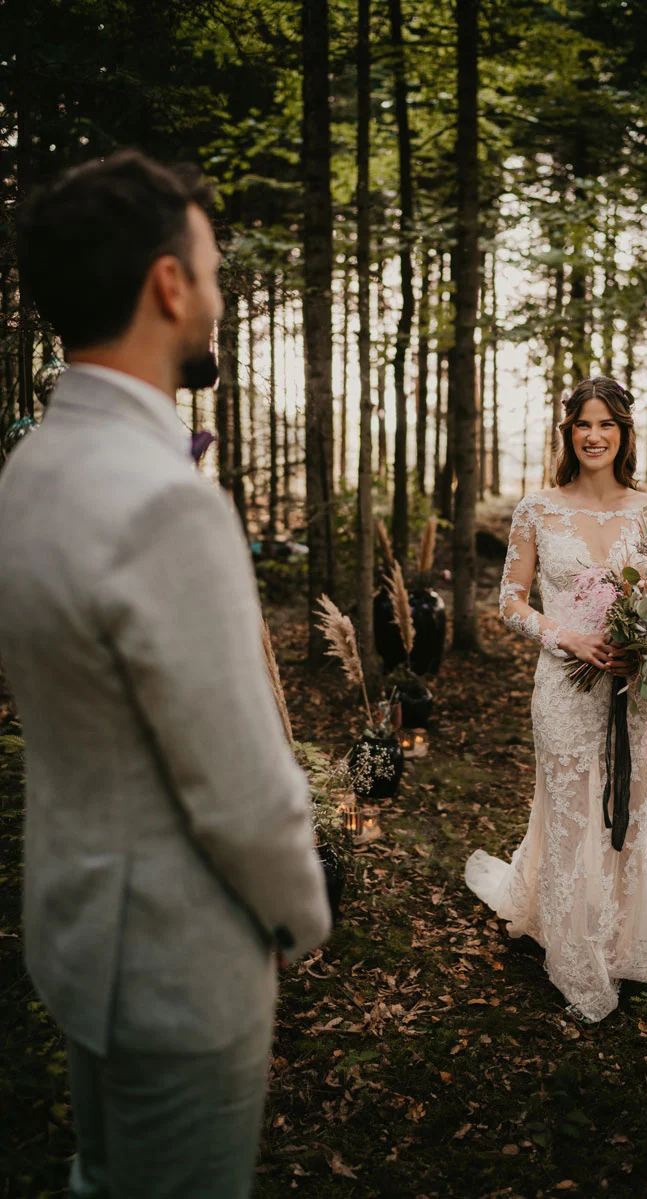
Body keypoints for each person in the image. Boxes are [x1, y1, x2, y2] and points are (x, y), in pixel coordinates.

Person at [0, 150, 331, 1197]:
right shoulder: (164, 501)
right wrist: (302, 914)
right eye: (215, 271)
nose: (221, 297)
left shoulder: (30, 468)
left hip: (79, 940)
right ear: (168, 284)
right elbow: (242, 788)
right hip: (178, 966)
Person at [465, 376, 647, 1024]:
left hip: (633, 691)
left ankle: (619, 936)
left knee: (626, 810)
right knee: (569, 813)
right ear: (569, 432)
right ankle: (576, 955)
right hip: (563, 687)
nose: (594, 435)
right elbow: (509, 602)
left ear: (624, 433)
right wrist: (570, 638)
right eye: (583, 423)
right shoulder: (537, 510)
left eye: (606, 423)